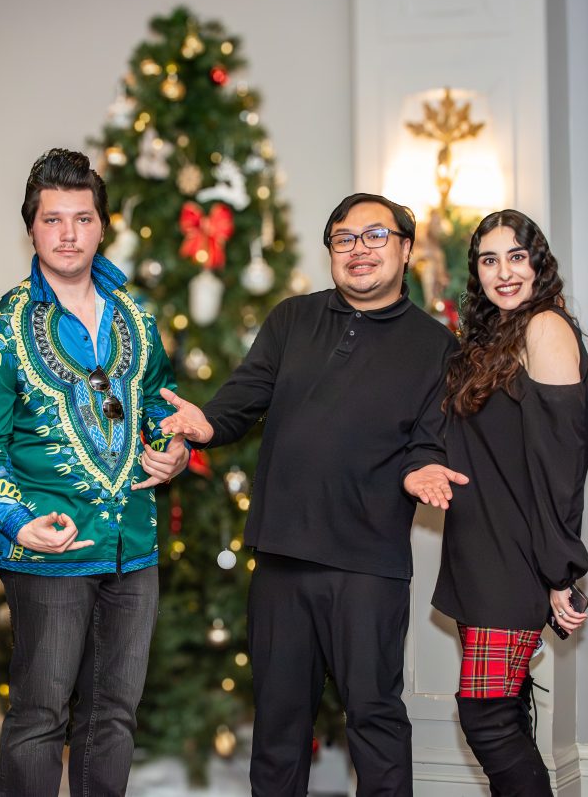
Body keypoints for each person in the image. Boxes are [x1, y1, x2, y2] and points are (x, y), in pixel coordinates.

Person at [161, 193, 464, 796]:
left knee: (375, 720)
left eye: (375, 236)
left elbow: (432, 440)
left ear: (405, 249)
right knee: (278, 728)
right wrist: (206, 425)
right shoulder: (292, 319)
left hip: (368, 565)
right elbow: (242, 397)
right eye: (344, 238)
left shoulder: (436, 346)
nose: (358, 250)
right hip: (282, 556)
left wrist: (419, 471)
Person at [0, 149, 188, 796]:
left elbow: (158, 404)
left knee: (113, 715)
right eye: (52, 219)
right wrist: (17, 522)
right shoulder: (2, 328)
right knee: (39, 715)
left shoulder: (136, 315)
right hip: (49, 548)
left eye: (82, 218)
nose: (68, 233)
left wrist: (170, 452)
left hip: (133, 549)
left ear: (101, 226)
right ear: (31, 228)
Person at [430, 210, 588, 794]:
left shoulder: (544, 327)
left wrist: (558, 570)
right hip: (482, 548)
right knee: (509, 711)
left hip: (516, 554)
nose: (504, 272)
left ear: (538, 262)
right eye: (489, 259)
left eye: (517, 256)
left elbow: (561, 461)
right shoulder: (493, 335)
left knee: (487, 717)